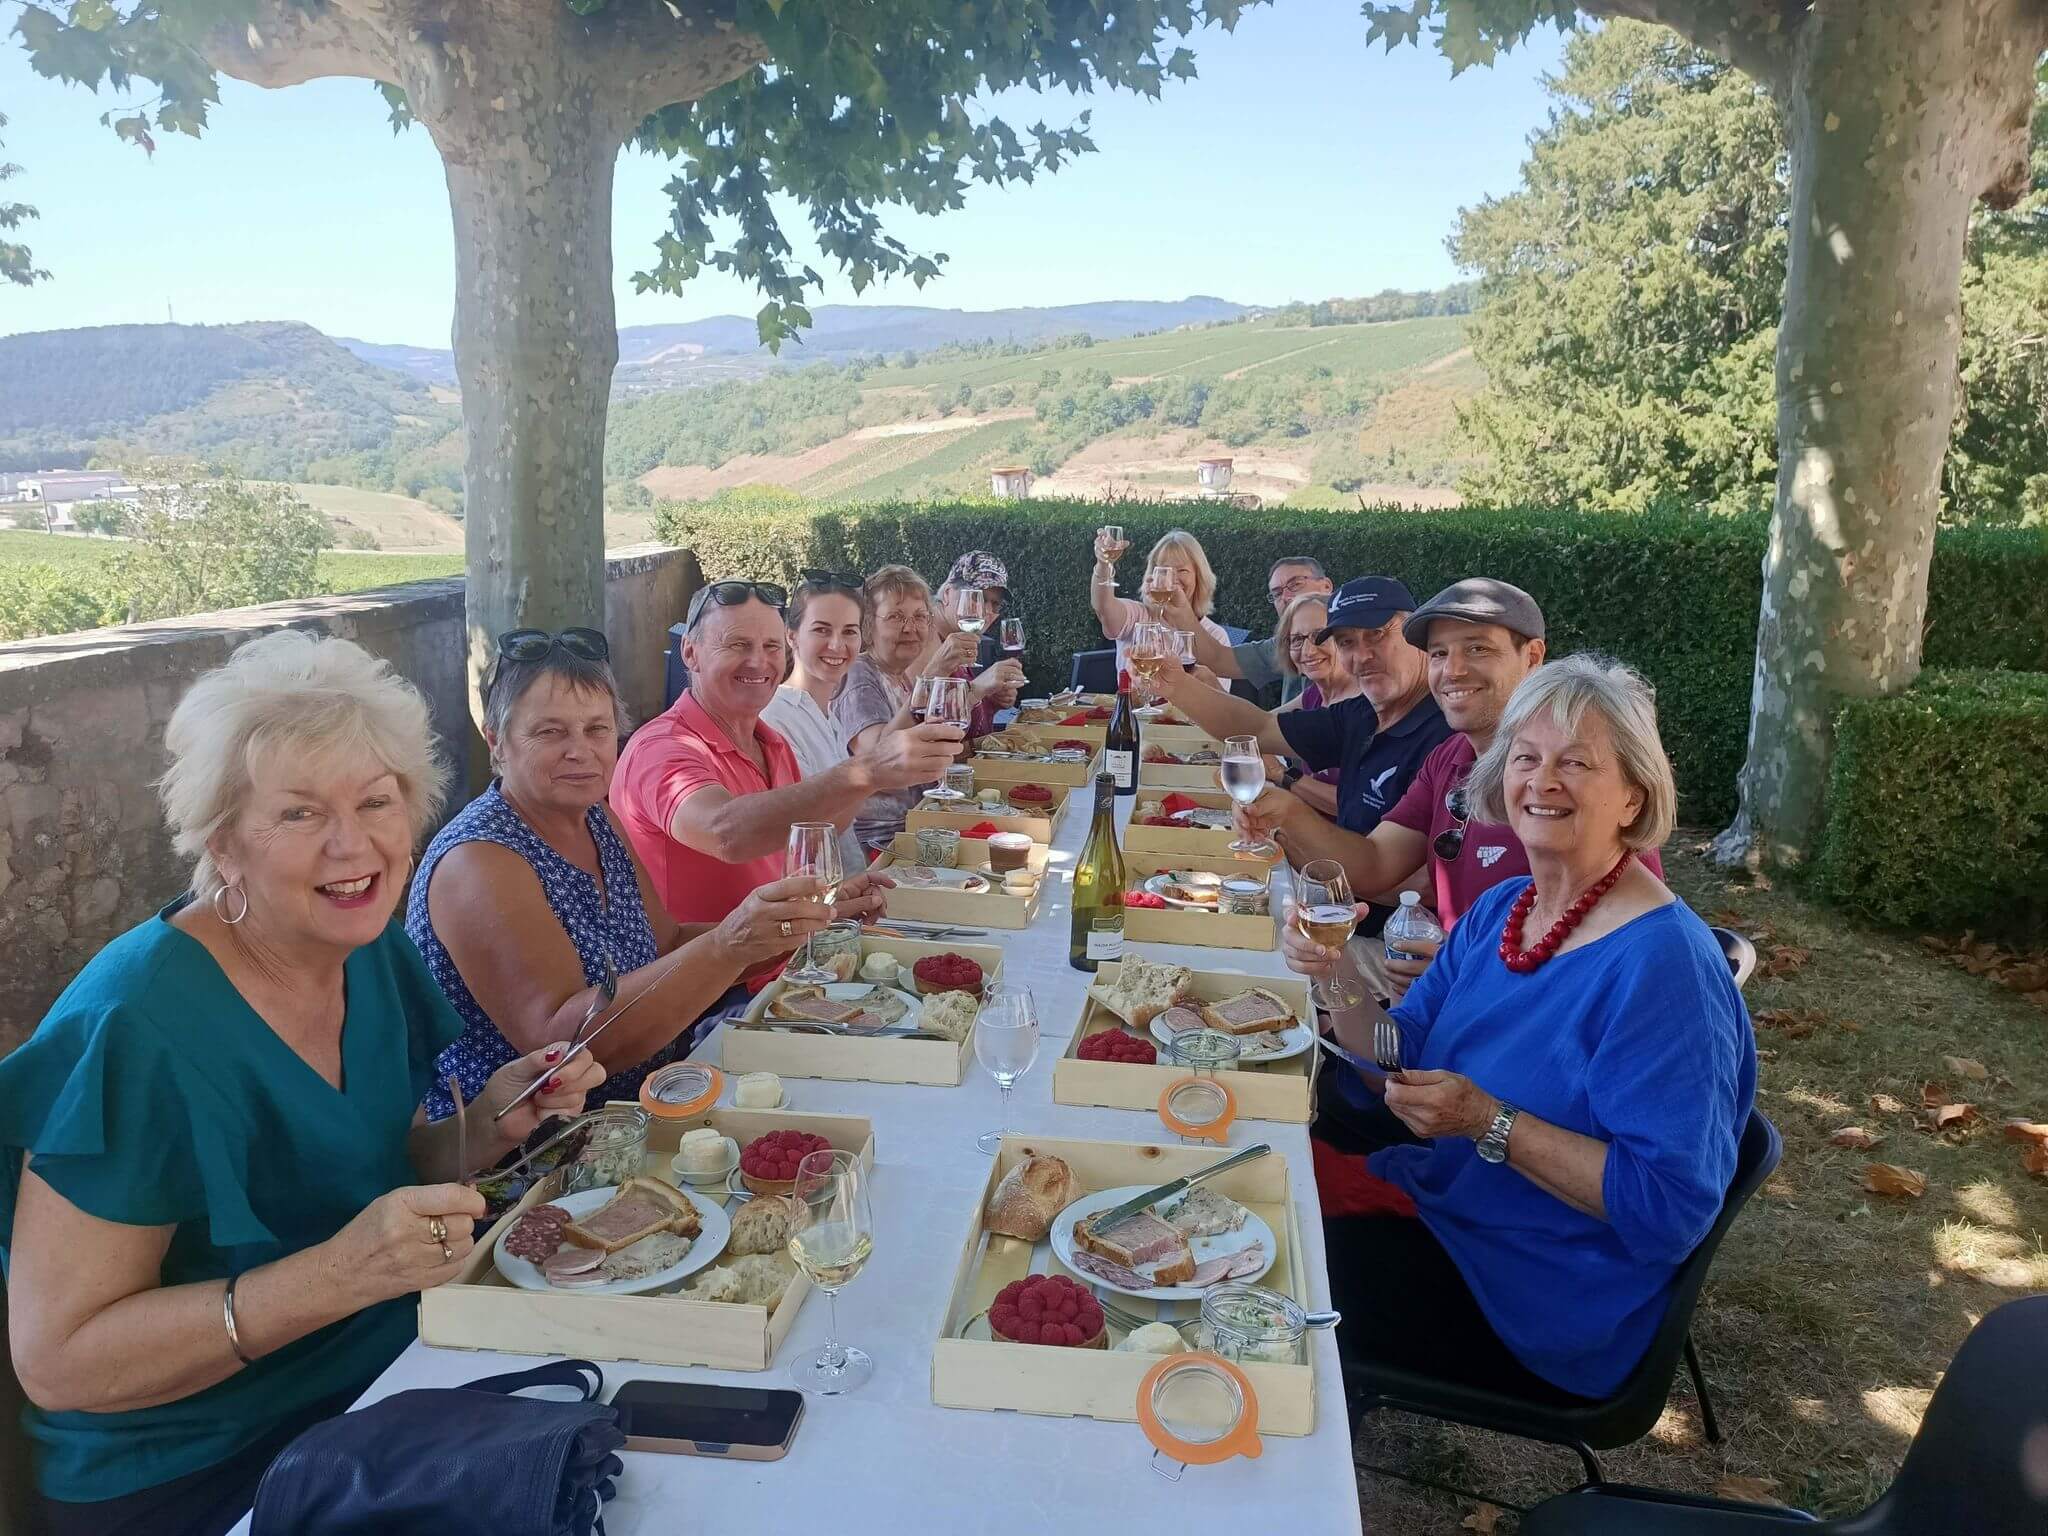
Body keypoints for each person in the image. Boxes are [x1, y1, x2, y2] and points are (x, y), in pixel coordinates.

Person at [0, 631, 607, 1536]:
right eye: (298, 814)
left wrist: (487, 1125)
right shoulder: (139, 1026)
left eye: (376, 801)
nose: (352, 845)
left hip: (383, 1378)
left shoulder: (368, 949)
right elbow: (61, 1359)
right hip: (198, 1466)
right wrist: (336, 1278)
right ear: (224, 842)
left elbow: (372, 1166)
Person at [1315, 654, 1754, 1404]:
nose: (1541, 781)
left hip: (1532, 1294)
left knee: (1261, 1274)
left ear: (1633, 796)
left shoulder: (1664, 969)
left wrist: (1487, 1120)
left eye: (1576, 762)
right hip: (1446, 1208)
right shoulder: (1506, 907)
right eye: (1525, 758)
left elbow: (1670, 1211)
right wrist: (1332, 972)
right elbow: (1394, 1061)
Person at [410, 627, 846, 1119]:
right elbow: (561, 1048)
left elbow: (668, 944)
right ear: (497, 742)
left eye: (597, 729)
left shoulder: (595, 817)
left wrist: (797, 922)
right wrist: (731, 942)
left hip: (650, 1101)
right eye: (550, 732)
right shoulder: (478, 860)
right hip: (535, 1158)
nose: (581, 750)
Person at [612, 580, 953, 979]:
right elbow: (726, 833)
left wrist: (831, 903)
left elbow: (816, 829)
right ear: (691, 652)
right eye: (737, 645)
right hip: (705, 1002)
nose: (759, 662)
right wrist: (867, 769)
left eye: (771, 647)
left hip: (782, 969)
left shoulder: (768, 741)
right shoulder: (663, 747)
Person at [1152, 576, 1451, 840]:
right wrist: (1173, 683)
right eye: (1347, 642)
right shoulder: (1360, 714)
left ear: (1416, 635)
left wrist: (1289, 803)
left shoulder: (1447, 734)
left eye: (1377, 635)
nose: (1361, 656)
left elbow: (1394, 872)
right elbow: (1259, 728)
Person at [832, 565, 1017, 854]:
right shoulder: (859, 674)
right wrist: (932, 676)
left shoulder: (900, 675)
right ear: (867, 623)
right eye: (896, 617)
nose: (911, 628)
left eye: (920, 617)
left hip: (921, 823)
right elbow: (876, 759)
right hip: (882, 844)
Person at [761, 571, 872, 873]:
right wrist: (877, 774)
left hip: (852, 891)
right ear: (792, 635)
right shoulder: (776, 717)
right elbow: (809, 830)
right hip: (816, 903)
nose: (837, 645)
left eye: (849, 632)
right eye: (822, 630)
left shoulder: (828, 714)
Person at [1170, 555, 1335, 702]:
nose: (1286, 597)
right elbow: (1218, 659)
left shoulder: (1351, 641)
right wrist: (1179, 608)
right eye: (1277, 593)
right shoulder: (1286, 645)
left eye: (1296, 584)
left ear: (1326, 586)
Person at [1089, 527, 1232, 682]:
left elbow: (1218, 701)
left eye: (1182, 570)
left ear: (1199, 578)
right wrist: (1104, 564)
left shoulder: (1215, 636)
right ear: (1152, 574)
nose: (1172, 578)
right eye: (1164, 569)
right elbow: (1103, 608)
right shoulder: (1138, 616)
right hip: (1134, 707)